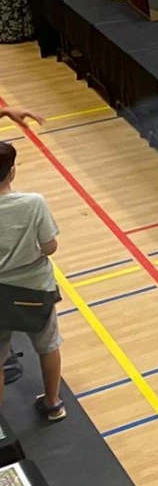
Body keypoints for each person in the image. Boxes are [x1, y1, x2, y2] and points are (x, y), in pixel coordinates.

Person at [0, 141, 66, 422]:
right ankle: (53, 404)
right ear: (12, 172)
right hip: (35, 291)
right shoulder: (34, 203)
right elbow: (50, 246)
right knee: (48, 345)